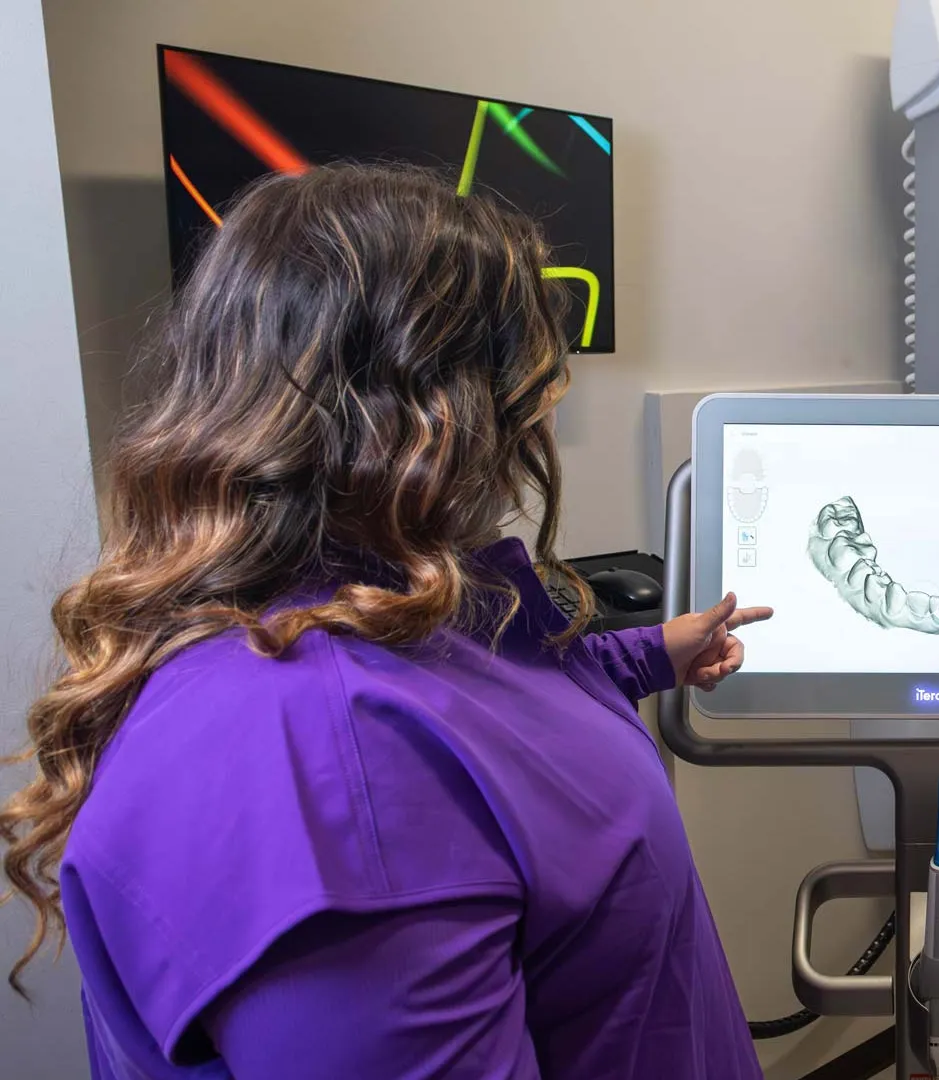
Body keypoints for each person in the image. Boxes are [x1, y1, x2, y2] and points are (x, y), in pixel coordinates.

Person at [1, 163, 772, 1079]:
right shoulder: (324, 762)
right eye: (532, 374)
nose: (548, 406)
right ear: (447, 408)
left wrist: (647, 653)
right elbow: (423, 772)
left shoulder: (383, 611)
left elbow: (492, 723)